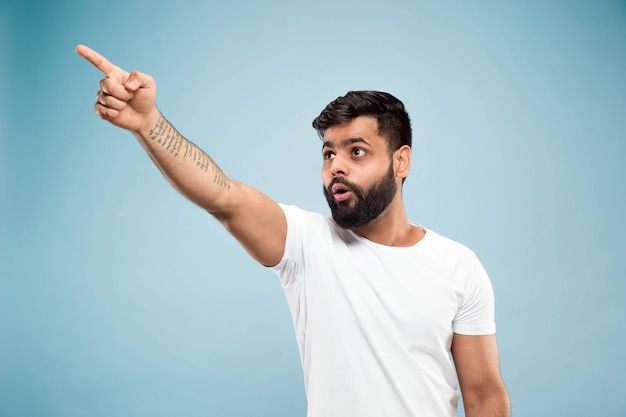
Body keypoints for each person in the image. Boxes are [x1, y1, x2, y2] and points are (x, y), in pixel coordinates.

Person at [76, 44, 511, 417]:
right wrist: (147, 123)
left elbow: (484, 394)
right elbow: (223, 196)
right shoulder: (306, 244)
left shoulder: (458, 266)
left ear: (401, 162)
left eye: (356, 151)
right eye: (328, 154)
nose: (335, 166)